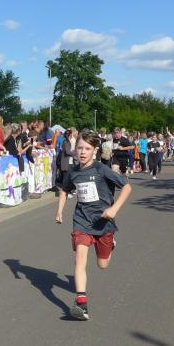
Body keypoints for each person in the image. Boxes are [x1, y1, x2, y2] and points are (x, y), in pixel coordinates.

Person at [54, 132, 131, 320]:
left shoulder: (101, 169)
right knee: (80, 259)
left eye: (87, 149)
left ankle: (110, 244)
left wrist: (114, 209)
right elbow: (64, 190)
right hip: (82, 220)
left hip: (103, 222)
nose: (82, 152)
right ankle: (81, 303)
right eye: (79, 148)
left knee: (102, 265)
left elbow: (127, 187)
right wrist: (59, 211)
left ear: (94, 151)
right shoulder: (73, 172)